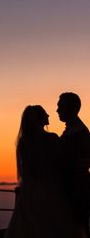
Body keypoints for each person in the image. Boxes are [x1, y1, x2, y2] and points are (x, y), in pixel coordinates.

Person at [4, 105, 86, 238]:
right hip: (52, 189)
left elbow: (26, 169)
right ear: (39, 119)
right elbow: (62, 162)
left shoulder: (24, 143)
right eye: (45, 114)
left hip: (30, 192)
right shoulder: (52, 139)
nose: (49, 115)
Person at [58, 92, 90, 235]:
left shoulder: (78, 133)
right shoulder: (76, 130)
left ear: (71, 108)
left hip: (75, 189)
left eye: (60, 106)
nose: (57, 110)